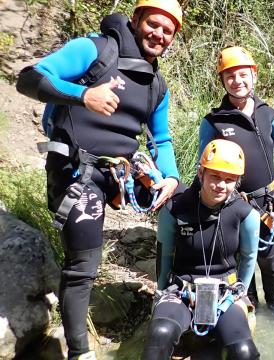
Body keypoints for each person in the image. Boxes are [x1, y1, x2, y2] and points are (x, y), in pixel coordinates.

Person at [15, 1, 182, 358]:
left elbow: (161, 139)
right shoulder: (94, 49)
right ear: (137, 20)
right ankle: (80, 352)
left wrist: (170, 176)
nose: (159, 35)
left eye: (168, 31)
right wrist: (83, 95)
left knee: (182, 197)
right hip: (77, 171)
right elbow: (29, 77)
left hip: (118, 174)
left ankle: (177, 291)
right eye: (154, 25)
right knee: (84, 267)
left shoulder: (157, 85)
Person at [198, 46, 274, 326]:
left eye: (243, 74)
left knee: (269, 257)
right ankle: (249, 304)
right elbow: (202, 166)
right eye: (230, 75)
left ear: (253, 75)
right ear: (222, 80)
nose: (237, 80)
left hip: (268, 201)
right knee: (242, 256)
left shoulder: (271, 116)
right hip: (233, 202)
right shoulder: (214, 120)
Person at [142, 139, 260, 360]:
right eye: (214, 176)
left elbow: (249, 256)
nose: (221, 185)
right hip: (181, 289)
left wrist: (240, 292)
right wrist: (160, 291)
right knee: (160, 334)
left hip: (227, 291)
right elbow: (164, 254)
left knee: (244, 352)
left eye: (229, 179)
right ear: (201, 173)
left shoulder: (245, 214)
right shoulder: (175, 209)